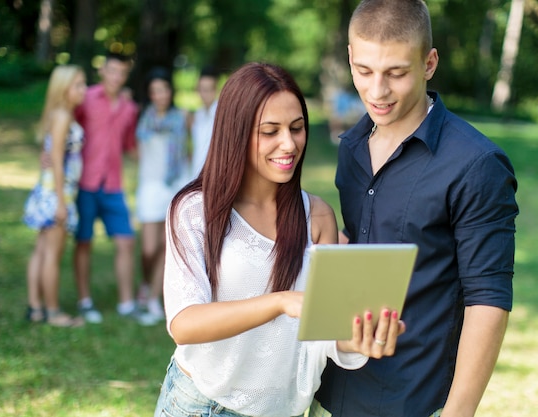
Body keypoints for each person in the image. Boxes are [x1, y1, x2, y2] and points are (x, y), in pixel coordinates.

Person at [154, 62, 405, 417]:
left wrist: (363, 338)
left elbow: (323, 332)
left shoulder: (317, 217)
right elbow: (184, 323)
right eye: (269, 131)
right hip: (203, 405)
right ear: (236, 133)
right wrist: (280, 302)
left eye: (297, 128)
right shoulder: (195, 210)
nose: (288, 144)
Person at [312, 1, 519, 416]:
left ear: (429, 63)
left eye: (396, 73)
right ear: (350, 58)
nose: (377, 91)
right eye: (365, 71)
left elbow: (488, 300)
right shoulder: (351, 147)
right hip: (330, 390)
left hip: (413, 400)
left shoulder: (476, 165)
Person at [73, 52, 139, 323]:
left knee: (126, 241)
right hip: (85, 183)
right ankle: (85, 301)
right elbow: (66, 127)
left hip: (113, 184)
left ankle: (127, 304)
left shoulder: (129, 108)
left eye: (121, 73)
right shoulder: (85, 98)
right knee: (84, 242)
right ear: (102, 71)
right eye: (111, 71)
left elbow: (129, 145)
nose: (116, 77)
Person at [23, 65, 87, 327]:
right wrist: (62, 203)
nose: (83, 90)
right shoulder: (62, 117)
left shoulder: (61, 115)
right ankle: (53, 312)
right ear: (64, 89)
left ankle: (35, 307)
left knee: (41, 251)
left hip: (49, 190)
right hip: (56, 195)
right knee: (52, 254)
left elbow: (50, 153)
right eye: (78, 85)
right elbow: (58, 161)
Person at [135, 67, 189, 324]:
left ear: (170, 92)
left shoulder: (181, 118)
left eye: (164, 90)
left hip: (174, 184)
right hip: (150, 186)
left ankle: (155, 299)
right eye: (155, 91)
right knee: (149, 248)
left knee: (167, 247)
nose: (160, 95)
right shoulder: (145, 118)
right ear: (150, 94)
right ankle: (145, 285)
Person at [188, 65, 219, 178]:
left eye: (208, 90)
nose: (204, 94)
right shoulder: (198, 115)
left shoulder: (221, 115)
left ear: (215, 89)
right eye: (201, 89)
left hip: (215, 176)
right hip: (196, 175)